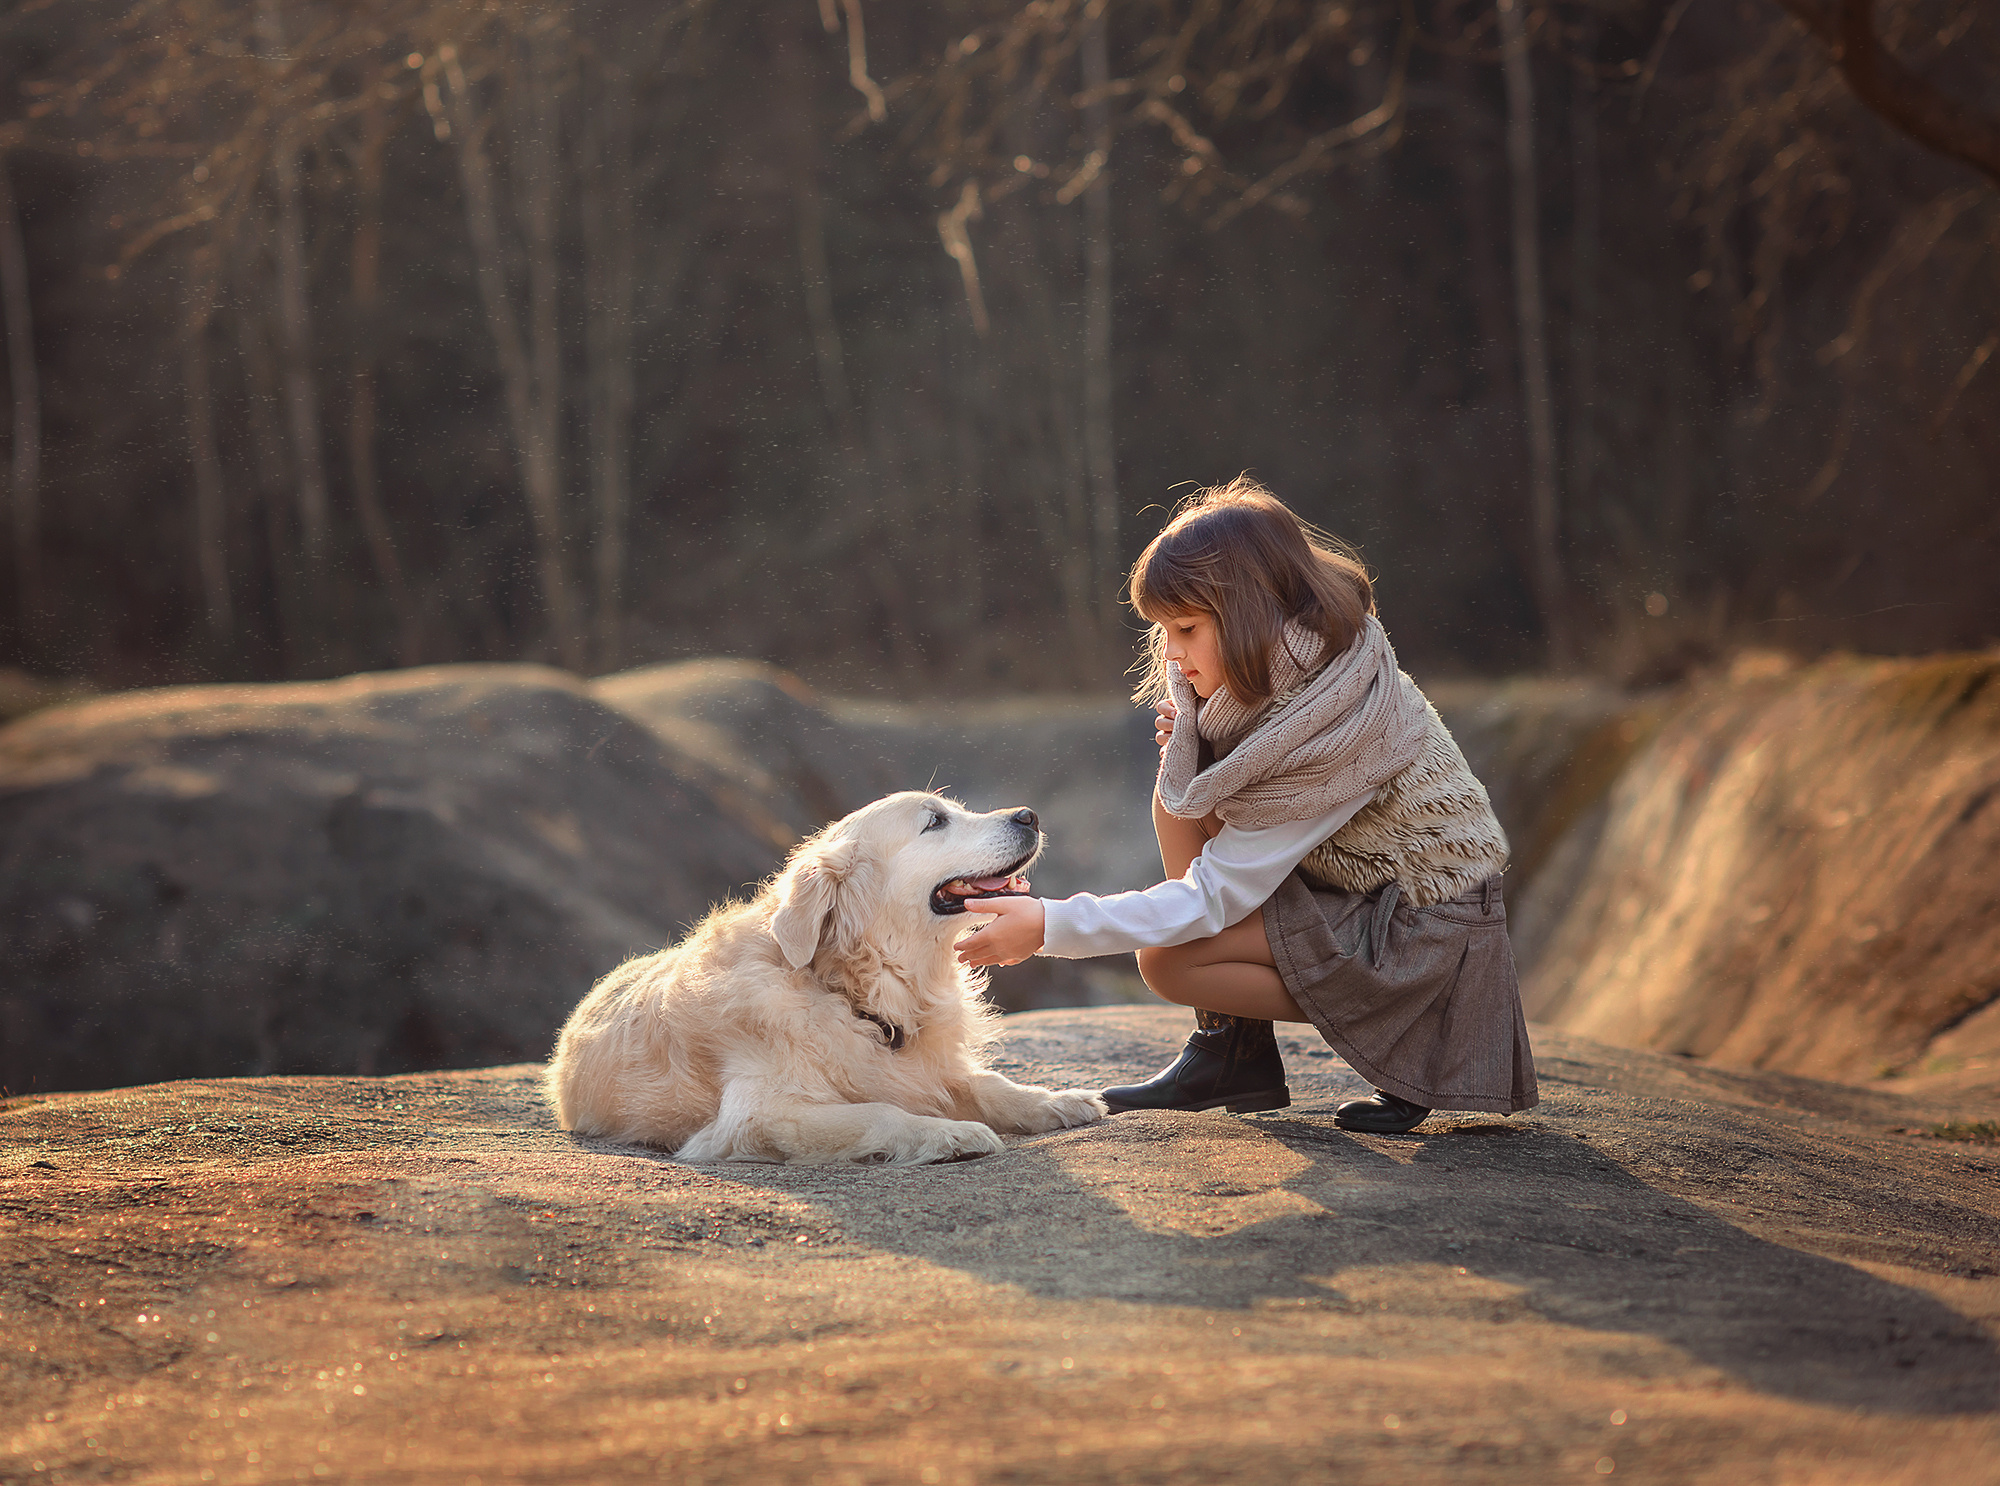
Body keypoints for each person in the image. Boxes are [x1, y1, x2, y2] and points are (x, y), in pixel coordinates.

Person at [957, 477, 1537, 1133]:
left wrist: (1046, 926)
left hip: (1420, 932)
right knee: (1180, 799)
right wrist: (1200, 750)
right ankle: (1231, 1053)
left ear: (1248, 615)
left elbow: (1213, 897)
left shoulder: (1332, 728)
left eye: (1186, 628)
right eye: (1163, 630)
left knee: (1173, 960)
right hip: (1359, 890)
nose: (1171, 652)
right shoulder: (1281, 669)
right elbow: (1213, 819)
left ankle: (1411, 1020)